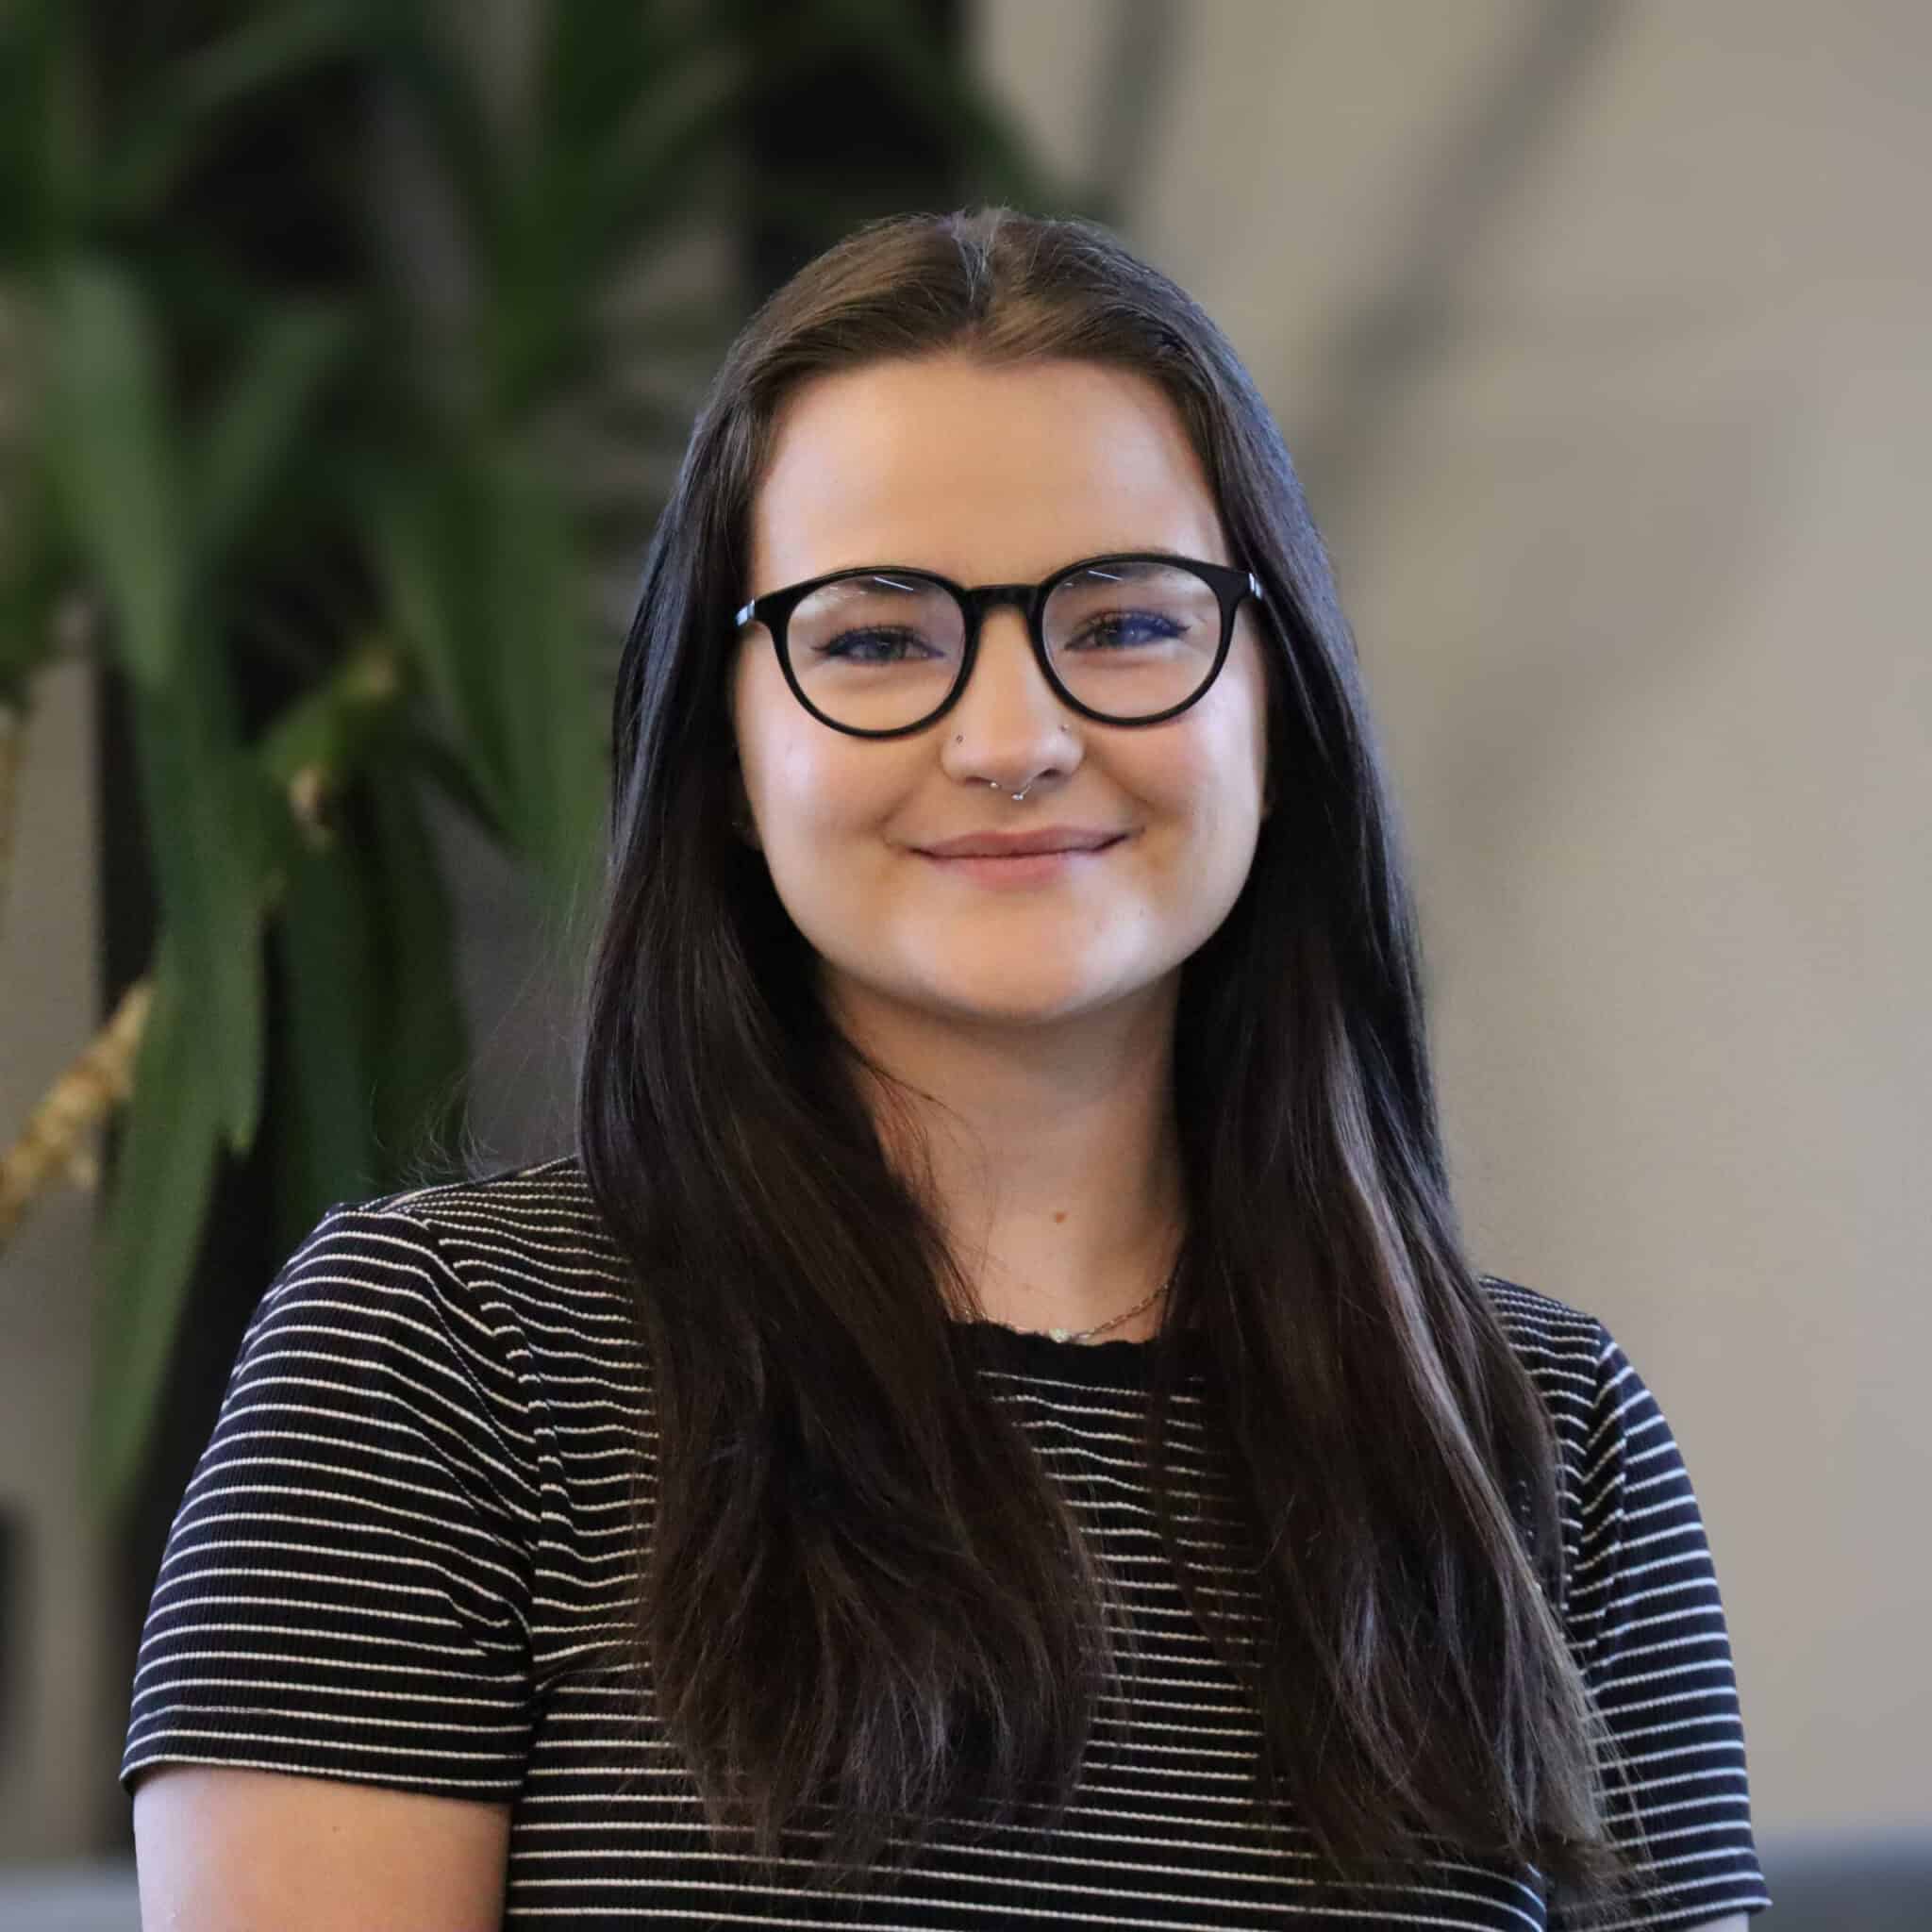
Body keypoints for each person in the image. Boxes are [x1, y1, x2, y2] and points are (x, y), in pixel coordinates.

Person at [124, 206, 1770, 1930]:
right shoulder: (438, 1364)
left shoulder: (1547, 1443)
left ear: (1273, 715)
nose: (1012, 741)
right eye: (876, 640)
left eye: (1129, 623)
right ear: (724, 750)